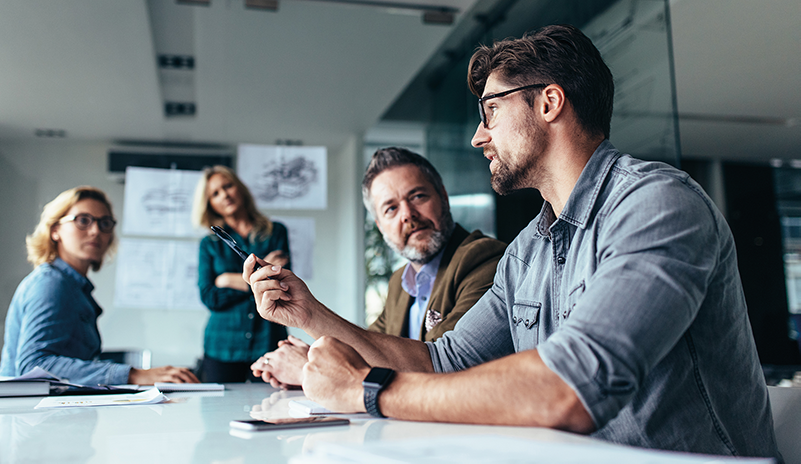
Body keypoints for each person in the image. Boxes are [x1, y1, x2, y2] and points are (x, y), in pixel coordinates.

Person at [244, 24, 780, 459]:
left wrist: (366, 390)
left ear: (549, 103)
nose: (479, 135)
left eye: (491, 111)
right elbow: (441, 361)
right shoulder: (528, 250)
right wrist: (310, 314)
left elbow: (571, 386)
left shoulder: (657, 205)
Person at [250, 147, 506, 387]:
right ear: (380, 225)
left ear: (443, 197)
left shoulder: (484, 259)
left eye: (417, 196)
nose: (407, 214)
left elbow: (440, 367)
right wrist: (315, 356)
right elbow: (369, 350)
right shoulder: (400, 282)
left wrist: (309, 366)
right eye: (391, 208)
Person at [0, 186, 198, 385]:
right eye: (83, 220)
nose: (96, 231)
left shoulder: (74, 287)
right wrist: (133, 375)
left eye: (105, 223)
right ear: (55, 230)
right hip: (31, 414)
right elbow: (34, 366)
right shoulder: (51, 283)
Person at [193, 165, 290, 383]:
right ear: (210, 204)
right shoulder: (209, 244)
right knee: (219, 413)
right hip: (222, 346)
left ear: (240, 189)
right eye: (215, 193)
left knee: (271, 409)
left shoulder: (276, 232)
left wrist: (227, 280)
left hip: (268, 341)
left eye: (228, 186)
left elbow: (281, 285)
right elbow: (209, 296)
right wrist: (258, 279)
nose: (224, 195)